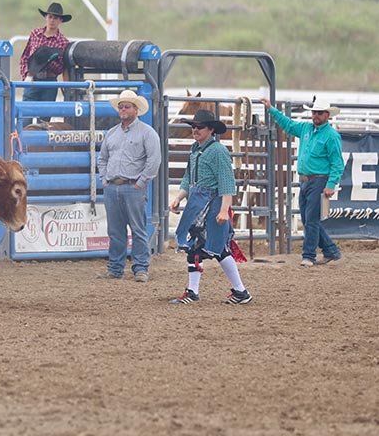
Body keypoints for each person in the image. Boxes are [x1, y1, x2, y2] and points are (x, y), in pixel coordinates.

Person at [168, 109, 252, 305]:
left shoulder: (218, 151)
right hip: (198, 202)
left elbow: (226, 182)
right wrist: (179, 197)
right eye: (193, 126)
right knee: (212, 247)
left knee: (203, 245)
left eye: (199, 127)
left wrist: (224, 210)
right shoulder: (195, 149)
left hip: (211, 204)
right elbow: (189, 177)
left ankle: (196, 292)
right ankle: (238, 291)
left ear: (210, 130)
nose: (195, 130)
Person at [261, 96, 344, 267]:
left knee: (310, 220)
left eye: (319, 113)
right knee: (308, 219)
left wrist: (331, 184)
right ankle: (330, 250)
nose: (316, 115)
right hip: (307, 181)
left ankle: (309, 256)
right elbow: (288, 124)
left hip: (319, 180)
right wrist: (272, 109)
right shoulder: (306, 129)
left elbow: (337, 162)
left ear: (327, 115)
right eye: (314, 112)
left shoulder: (331, 135)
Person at [98, 90, 162, 282]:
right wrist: (104, 178)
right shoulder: (112, 133)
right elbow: (102, 159)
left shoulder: (147, 133)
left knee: (138, 229)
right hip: (114, 186)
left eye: (127, 106)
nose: (123, 109)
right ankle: (116, 268)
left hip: (133, 185)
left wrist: (141, 182)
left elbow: (154, 161)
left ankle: (140, 267)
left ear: (136, 109)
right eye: (121, 106)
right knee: (115, 230)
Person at [19, 3, 71, 116]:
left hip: (50, 81)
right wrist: (26, 75)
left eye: (55, 18)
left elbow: (64, 67)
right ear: (46, 17)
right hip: (33, 79)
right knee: (25, 116)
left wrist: (66, 86)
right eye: (50, 17)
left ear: (60, 21)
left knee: (44, 119)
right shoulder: (35, 34)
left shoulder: (63, 42)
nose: (52, 20)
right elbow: (25, 56)